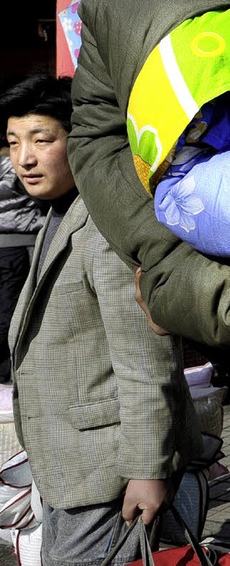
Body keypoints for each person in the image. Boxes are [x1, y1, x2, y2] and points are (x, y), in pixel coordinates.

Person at [0, 74, 202, 566]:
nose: (23, 158)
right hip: (68, 467)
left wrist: (148, 469)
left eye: (41, 139)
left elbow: (145, 359)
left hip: (109, 473)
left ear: (82, 141)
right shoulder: (55, 216)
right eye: (12, 142)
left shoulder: (104, 225)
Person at [0, 149, 45, 383]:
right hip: (21, 242)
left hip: (5, 245)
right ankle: (9, 371)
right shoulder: (16, 166)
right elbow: (38, 197)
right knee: (17, 307)